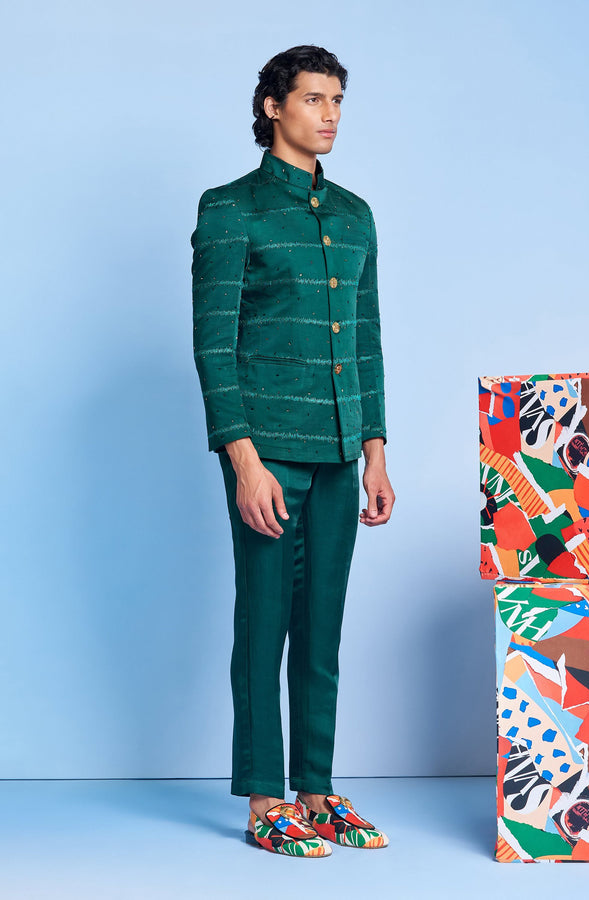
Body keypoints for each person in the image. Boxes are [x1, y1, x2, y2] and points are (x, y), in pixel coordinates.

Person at [190, 45, 395, 857]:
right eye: (314, 99)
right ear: (274, 106)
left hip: (343, 451)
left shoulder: (354, 214)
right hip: (267, 452)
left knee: (321, 631)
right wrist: (243, 462)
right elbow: (215, 347)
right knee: (265, 621)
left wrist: (376, 452)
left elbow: (367, 340)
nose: (330, 114)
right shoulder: (230, 209)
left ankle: (316, 790)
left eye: (338, 100)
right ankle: (265, 800)